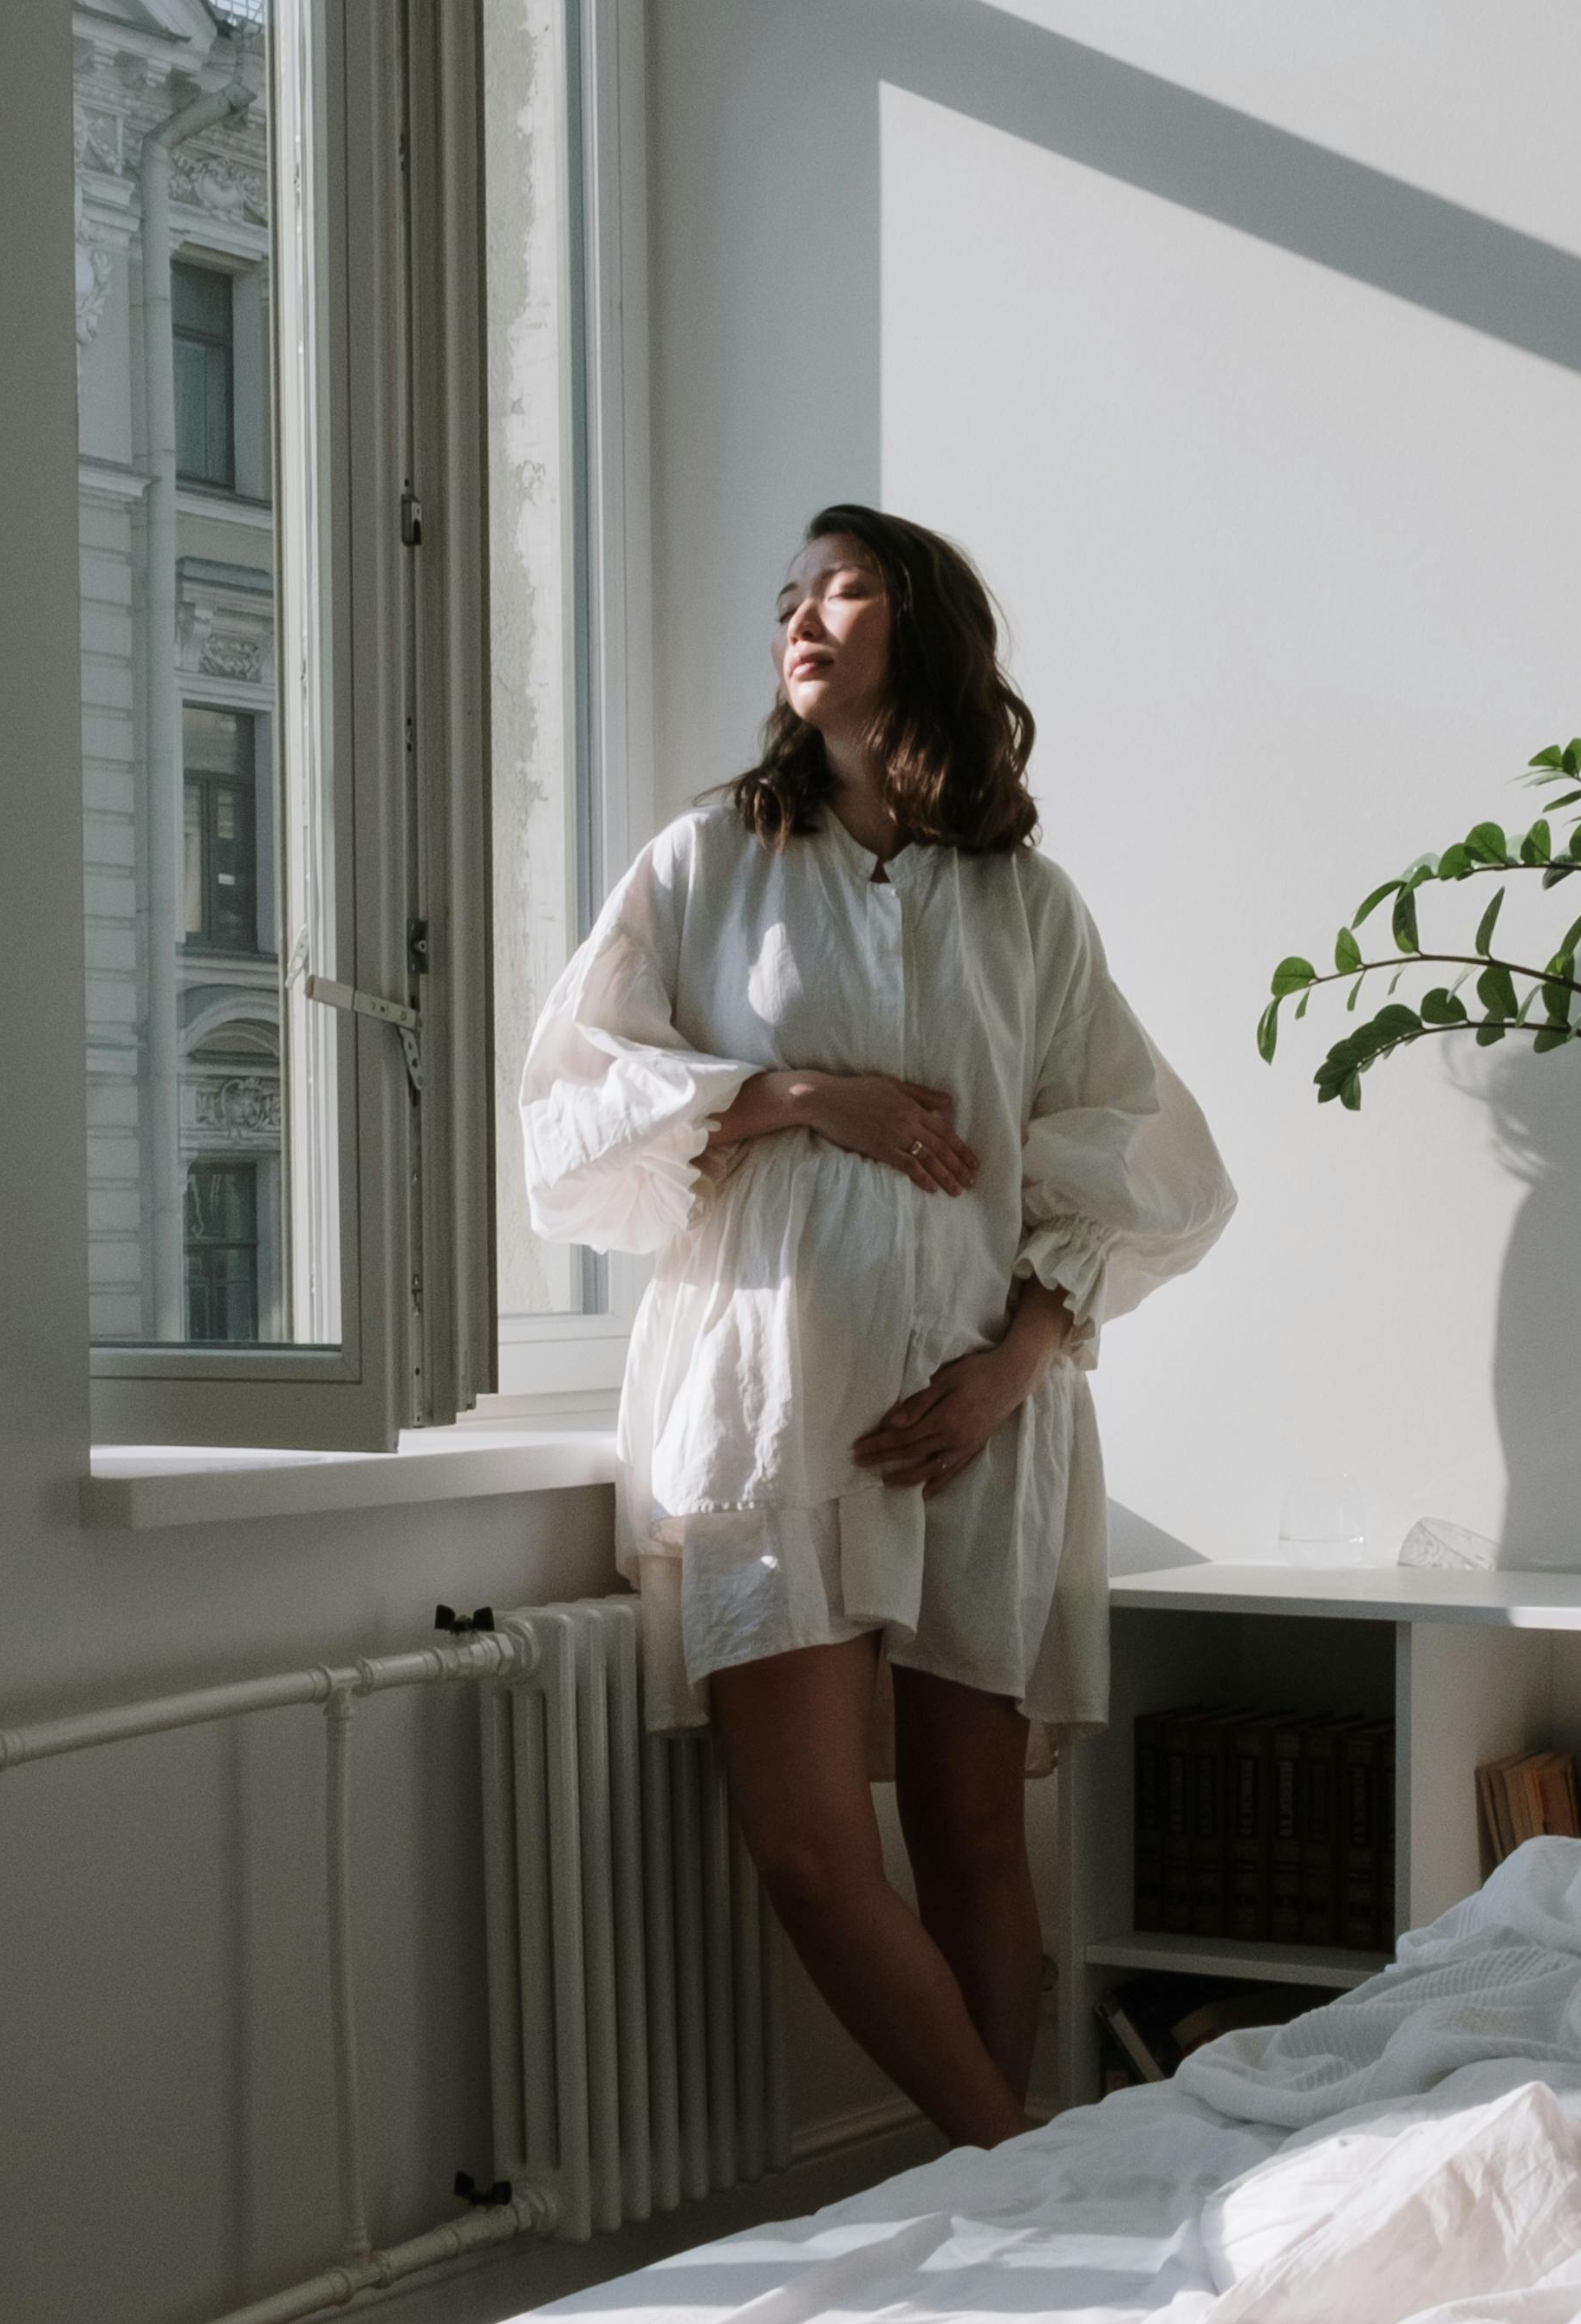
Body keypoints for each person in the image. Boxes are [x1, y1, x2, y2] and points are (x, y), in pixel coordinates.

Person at [518, 505, 1234, 2146]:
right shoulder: (708, 861)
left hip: (979, 1419)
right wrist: (798, 1093)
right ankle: (1032, 2174)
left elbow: (1153, 1167)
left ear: (920, 621)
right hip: (770, 1410)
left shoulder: (1024, 907)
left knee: (979, 1838)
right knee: (809, 1851)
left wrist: (1017, 1364)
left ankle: (1000, 2224)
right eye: (787, 594)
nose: (803, 615)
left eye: (841, 587)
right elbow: (571, 1111)